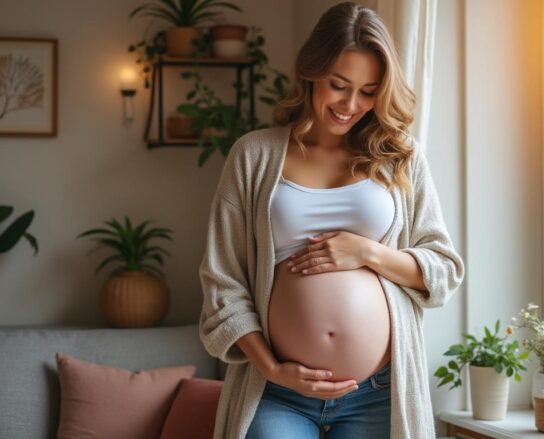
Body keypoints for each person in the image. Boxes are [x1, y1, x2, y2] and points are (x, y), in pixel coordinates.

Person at [198, 2, 465, 438]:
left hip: (377, 393)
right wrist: (273, 369)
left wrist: (367, 253)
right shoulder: (254, 155)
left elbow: (443, 269)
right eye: (338, 85)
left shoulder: (401, 157)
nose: (351, 104)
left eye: (368, 91)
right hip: (278, 392)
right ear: (311, 73)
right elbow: (223, 281)